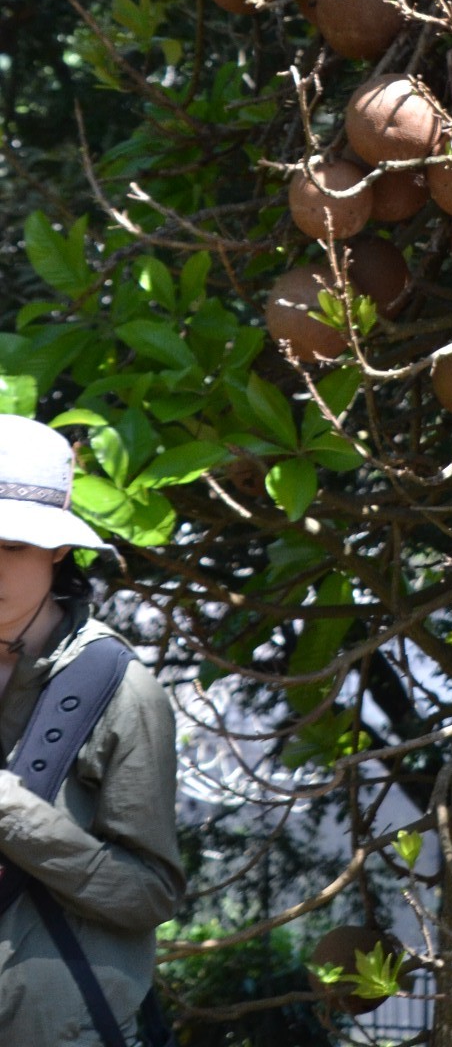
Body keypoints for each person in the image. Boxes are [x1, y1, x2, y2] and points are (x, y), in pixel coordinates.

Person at [0, 415, 184, 1043]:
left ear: (58, 548)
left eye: (11, 546)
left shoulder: (121, 691)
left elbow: (150, 895)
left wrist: (12, 815)